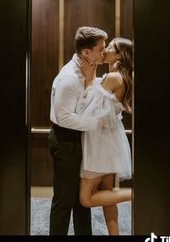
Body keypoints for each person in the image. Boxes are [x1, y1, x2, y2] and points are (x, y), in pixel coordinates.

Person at [48, 26, 108, 235]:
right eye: (101, 49)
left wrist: (92, 81)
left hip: (80, 139)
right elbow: (64, 117)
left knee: (83, 200)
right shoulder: (69, 78)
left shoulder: (87, 71)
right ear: (86, 53)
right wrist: (96, 124)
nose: (104, 52)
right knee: (64, 201)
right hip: (65, 141)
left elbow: (84, 104)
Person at [77, 37, 133, 235]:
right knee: (108, 200)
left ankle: (134, 193)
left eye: (110, 48)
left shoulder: (113, 78)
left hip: (99, 141)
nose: (105, 50)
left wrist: (87, 77)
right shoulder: (118, 77)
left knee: (86, 198)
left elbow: (86, 108)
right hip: (110, 138)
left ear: (119, 55)